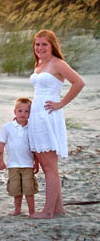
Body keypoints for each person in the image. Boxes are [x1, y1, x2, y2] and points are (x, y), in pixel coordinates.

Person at [28, 29, 85, 219]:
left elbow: (78, 82)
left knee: (50, 167)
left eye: (44, 44)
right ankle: (59, 208)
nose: (40, 48)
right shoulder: (40, 64)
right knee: (46, 166)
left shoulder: (58, 63)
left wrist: (61, 103)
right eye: (37, 44)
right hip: (37, 117)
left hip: (48, 117)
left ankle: (48, 211)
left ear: (52, 45)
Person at [0, 98, 39, 216]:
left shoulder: (32, 127)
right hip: (13, 165)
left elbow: (35, 147)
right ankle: (17, 210)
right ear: (14, 111)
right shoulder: (7, 127)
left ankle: (32, 211)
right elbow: (1, 144)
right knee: (16, 190)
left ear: (30, 113)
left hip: (28, 165)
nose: (23, 114)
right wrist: (0, 160)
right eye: (20, 111)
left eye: (26, 111)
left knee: (29, 190)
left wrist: (37, 163)